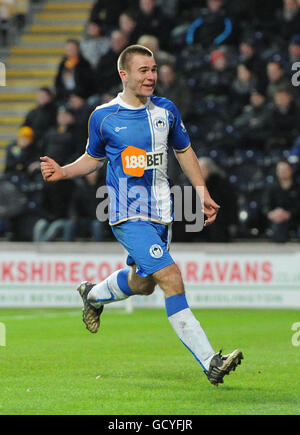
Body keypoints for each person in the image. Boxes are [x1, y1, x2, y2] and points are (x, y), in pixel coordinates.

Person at [40, 44, 243, 386]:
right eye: (143, 70)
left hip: (162, 213)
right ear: (124, 74)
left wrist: (202, 192)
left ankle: (92, 294)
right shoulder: (104, 116)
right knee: (171, 277)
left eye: (153, 70)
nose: (151, 76)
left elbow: (184, 151)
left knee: (144, 284)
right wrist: (64, 171)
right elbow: (93, 157)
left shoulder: (167, 110)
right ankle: (211, 361)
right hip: (126, 212)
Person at [263, 160, 300, 243]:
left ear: (291, 171)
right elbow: (265, 205)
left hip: (295, 217)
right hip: (276, 218)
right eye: (280, 170)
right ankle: (280, 253)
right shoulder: (271, 187)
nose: (283, 172)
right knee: (278, 225)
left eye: (285, 170)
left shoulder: (297, 187)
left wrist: (288, 214)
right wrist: (272, 214)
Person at [55, 39, 95, 104]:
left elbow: (87, 84)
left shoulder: (84, 64)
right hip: (65, 97)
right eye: (68, 49)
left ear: (78, 49)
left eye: (72, 49)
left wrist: (76, 96)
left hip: (82, 97)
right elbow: (58, 84)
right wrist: (68, 96)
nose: (70, 51)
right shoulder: (63, 64)